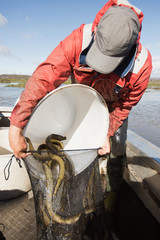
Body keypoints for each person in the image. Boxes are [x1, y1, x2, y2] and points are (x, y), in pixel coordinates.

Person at [9, 0, 152, 214]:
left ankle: (111, 199)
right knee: (71, 145)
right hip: (80, 102)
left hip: (111, 111)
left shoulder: (142, 65)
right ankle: (70, 188)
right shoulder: (79, 39)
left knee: (116, 151)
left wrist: (107, 131)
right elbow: (44, 78)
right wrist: (16, 125)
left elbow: (125, 105)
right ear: (97, 32)